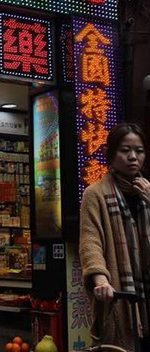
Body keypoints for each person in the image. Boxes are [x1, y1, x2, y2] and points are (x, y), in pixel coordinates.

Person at [80, 122, 150, 350]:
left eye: (139, 151)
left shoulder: (148, 190)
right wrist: (100, 279)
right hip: (122, 292)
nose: (133, 157)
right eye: (125, 150)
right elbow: (91, 242)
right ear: (111, 155)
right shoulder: (96, 194)